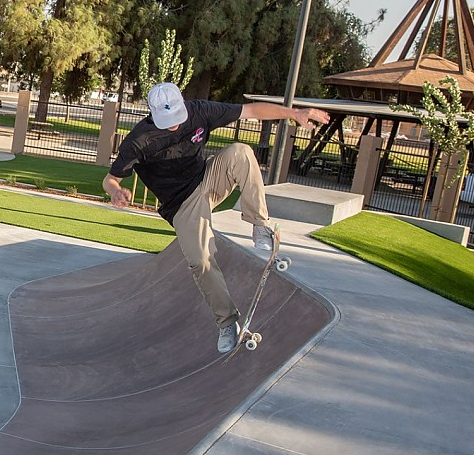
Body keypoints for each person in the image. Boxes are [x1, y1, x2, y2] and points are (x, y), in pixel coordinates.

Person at [103, 82, 330, 353]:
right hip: (182, 205)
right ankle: (227, 322)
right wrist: (115, 191)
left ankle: (259, 225)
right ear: (152, 113)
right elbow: (110, 178)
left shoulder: (199, 111)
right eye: (168, 122)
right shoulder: (139, 140)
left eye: (177, 118)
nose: (175, 126)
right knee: (201, 261)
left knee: (241, 152)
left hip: (209, 180)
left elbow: (252, 111)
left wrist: (293, 114)